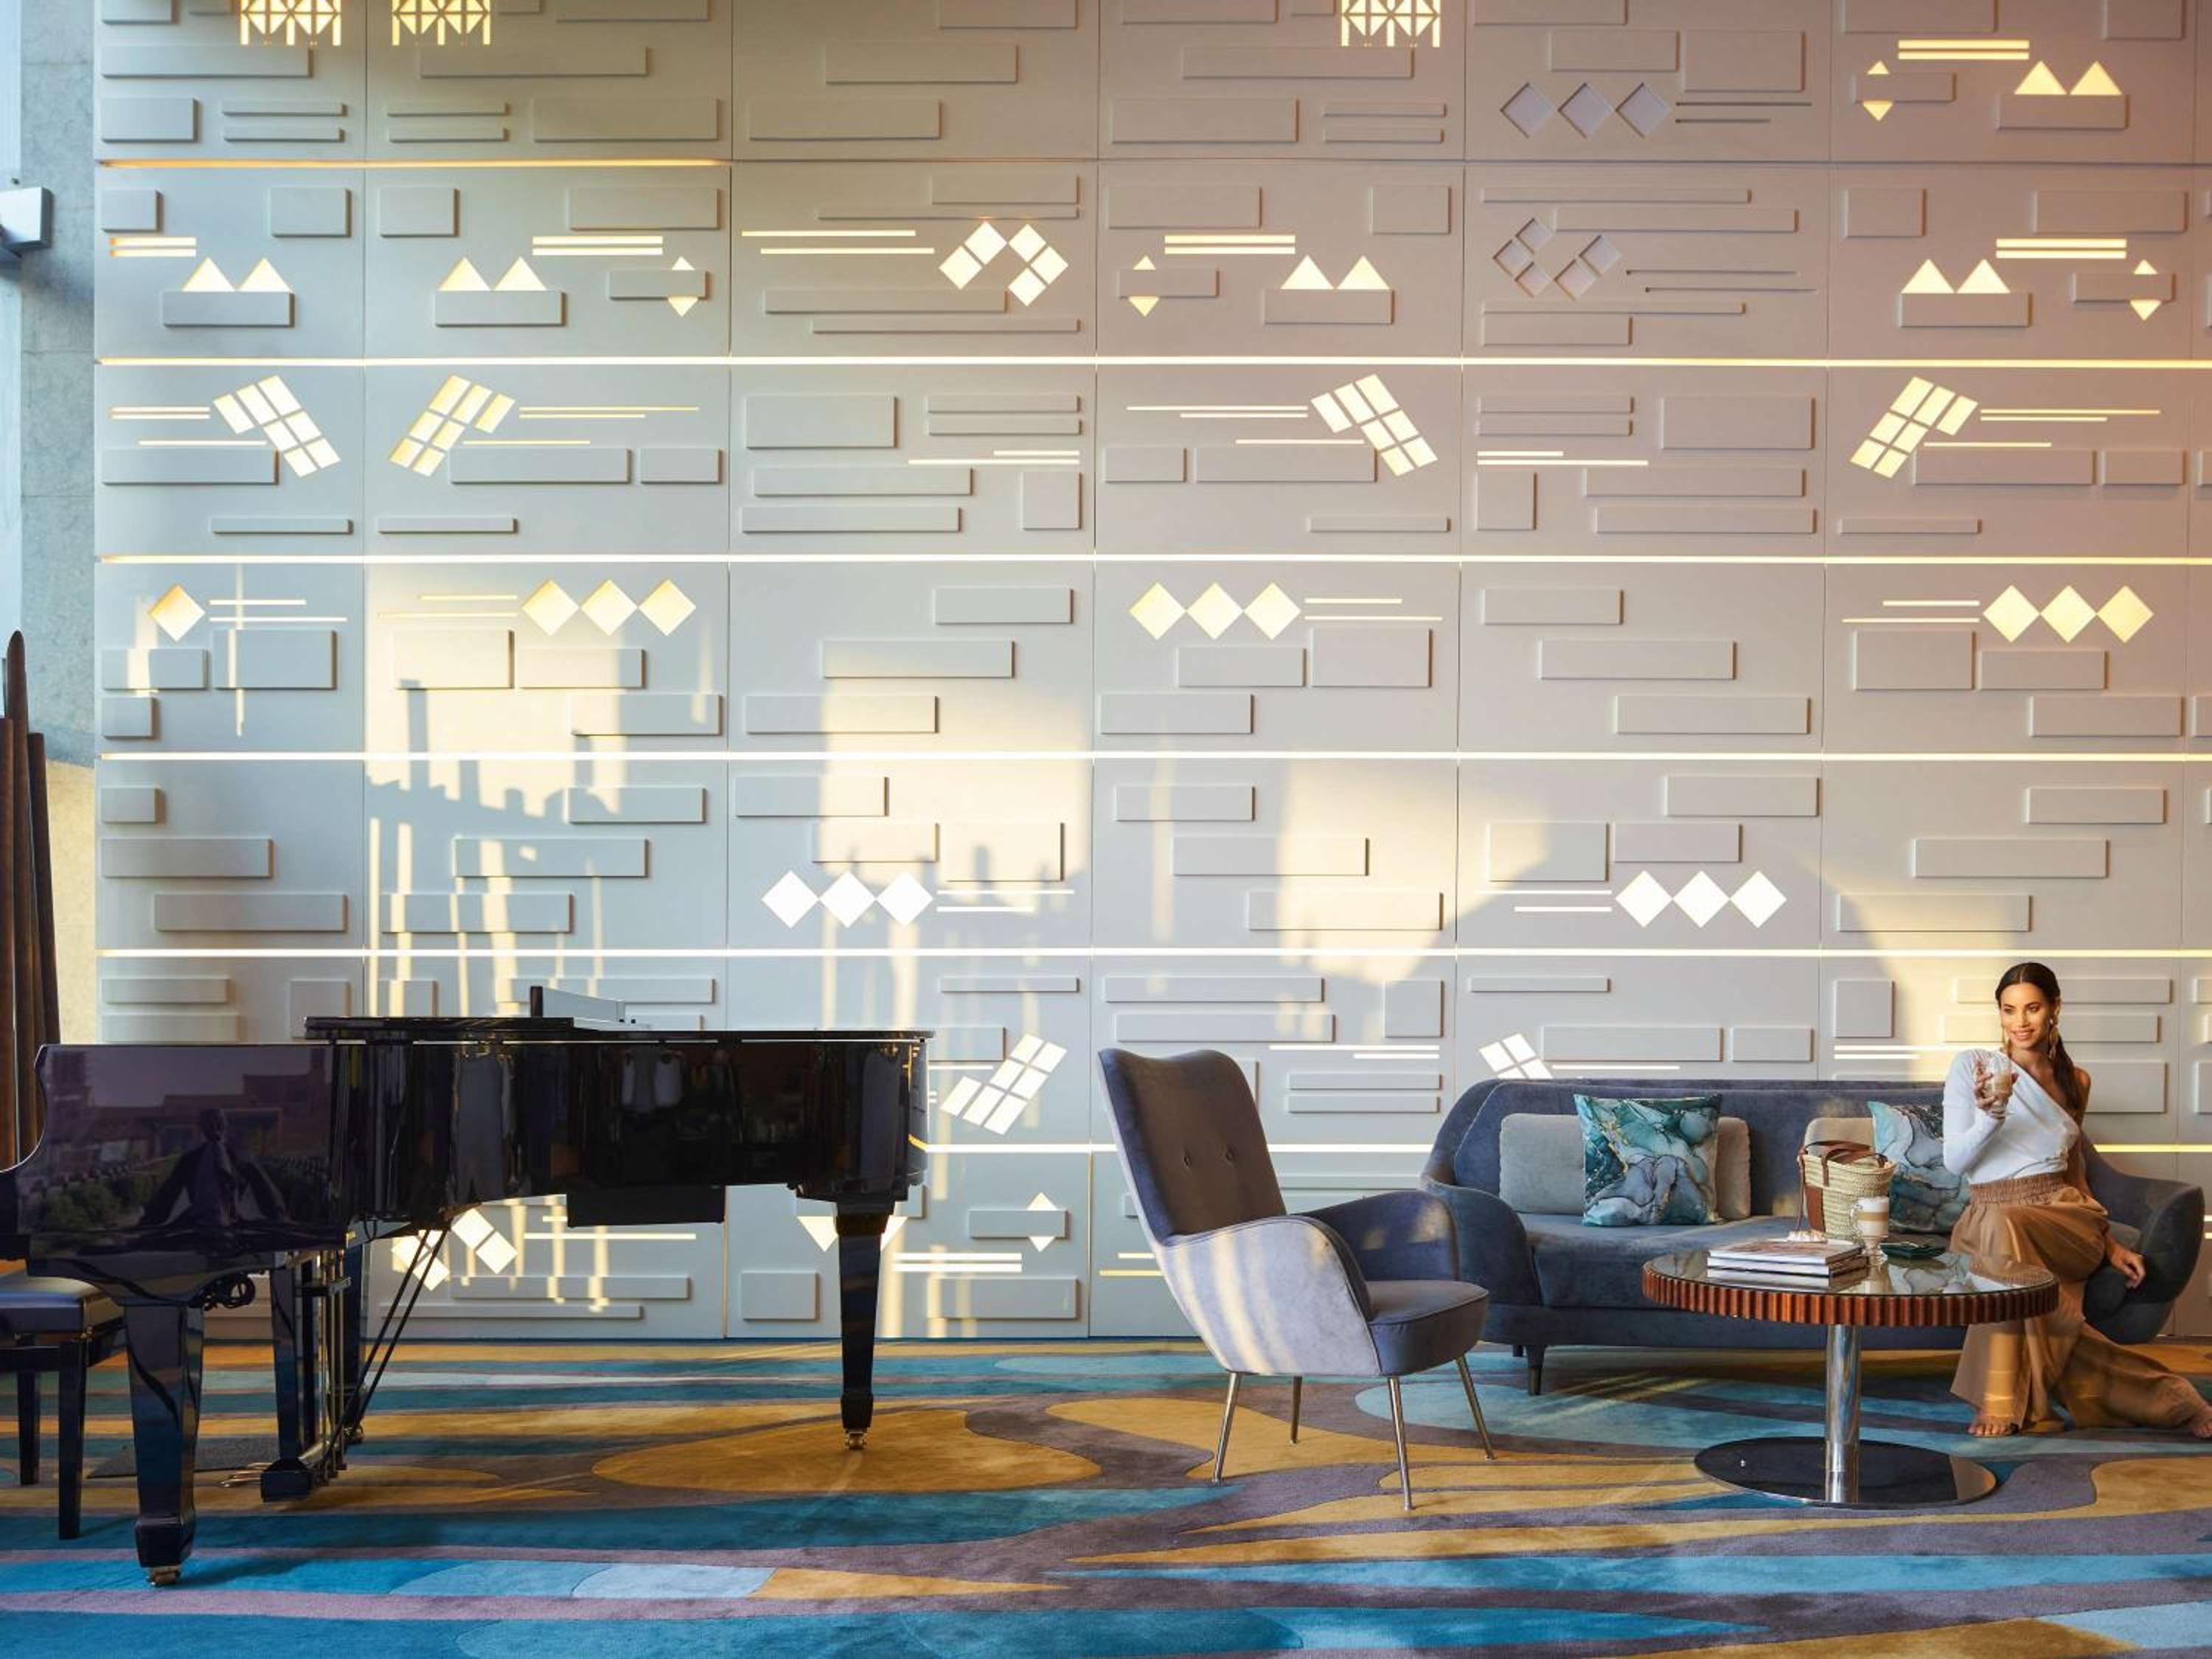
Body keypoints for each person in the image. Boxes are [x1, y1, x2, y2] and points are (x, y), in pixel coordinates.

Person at [1942, 961, 2212, 1439]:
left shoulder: (2075, 1081)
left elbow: (2074, 1170)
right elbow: (1955, 1163)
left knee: (2007, 1233)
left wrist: (2110, 1245)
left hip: (2063, 1216)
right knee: (2048, 1311)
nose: (2020, 1022)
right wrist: (1990, 1117)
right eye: (2009, 1010)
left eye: (2032, 1008)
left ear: (2055, 1009)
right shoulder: (1974, 1068)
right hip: (1988, 1216)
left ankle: (1999, 1400)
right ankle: (2176, 1402)